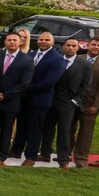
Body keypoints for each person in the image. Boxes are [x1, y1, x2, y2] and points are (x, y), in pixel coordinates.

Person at [11, 31, 64, 165]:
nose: (43, 42)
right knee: (22, 125)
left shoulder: (57, 59)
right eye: (41, 39)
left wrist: (26, 88)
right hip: (24, 99)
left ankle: (31, 156)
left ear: (52, 42)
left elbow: (49, 81)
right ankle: (16, 151)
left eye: (47, 40)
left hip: (40, 99)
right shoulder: (31, 54)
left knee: (35, 129)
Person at [0, 33, 34, 165]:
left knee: (6, 129)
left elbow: (25, 83)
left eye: (14, 40)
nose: (11, 42)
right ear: (5, 42)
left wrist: (5, 95)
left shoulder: (26, 60)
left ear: (20, 42)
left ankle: (1, 156)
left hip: (11, 100)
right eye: (9, 40)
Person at [39, 38, 92, 169]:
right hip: (51, 98)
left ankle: (63, 159)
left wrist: (75, 100)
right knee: (47, 127)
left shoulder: (84, 64)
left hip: (68, 101)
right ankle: (45, 153)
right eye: (68, 45)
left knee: (64, 130)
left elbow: (86, 85)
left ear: (78, 48)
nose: (70, 48)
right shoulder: (56, 60)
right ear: (64, 47)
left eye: (73, 46)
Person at [71, 37, 99, 168]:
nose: (96, 47)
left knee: (86, 132)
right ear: (88, 45)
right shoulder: (78, 59)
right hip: (73, 101)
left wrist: (97, 105)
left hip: (90, 104)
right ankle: (66, 153)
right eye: (94, 45)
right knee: (68, 128)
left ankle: (81, 158)